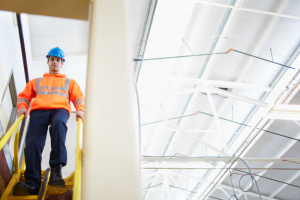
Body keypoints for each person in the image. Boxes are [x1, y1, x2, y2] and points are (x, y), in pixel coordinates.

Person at [13, 47, 85, 195]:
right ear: (48, 61)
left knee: (58, 125)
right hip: (39, 111)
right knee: (32, 142)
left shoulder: (69, 82)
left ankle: (56, 171)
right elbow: (23, 96)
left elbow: (79, 97)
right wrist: (22, 107)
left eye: (58, 60)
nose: (55, 62)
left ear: (62, 63)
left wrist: (80, 109)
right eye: (52, 59)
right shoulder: (36, 81)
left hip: (60, 110)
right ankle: (32, 183)